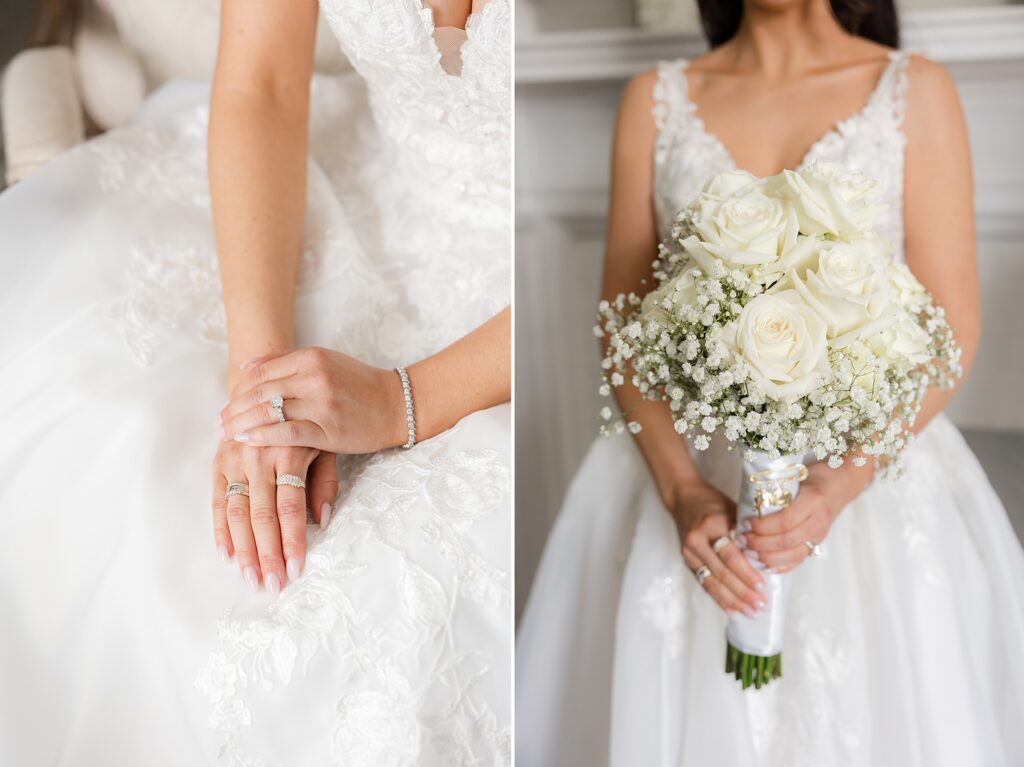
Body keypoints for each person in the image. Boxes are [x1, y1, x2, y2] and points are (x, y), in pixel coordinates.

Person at [0, 1, 511, 763]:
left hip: (529, 297)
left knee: (379, 629)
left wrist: (405, 400)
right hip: (355, 195)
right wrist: (262, 384)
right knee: (86, 421)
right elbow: (261, 84)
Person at [516, 1, 1024, 765]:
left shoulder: (915, 89)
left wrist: (834, 487)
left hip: (869, 480)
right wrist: (682, 490)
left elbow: (951, 329)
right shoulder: (652, 99)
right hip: (689, 486)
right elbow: (623, 328)